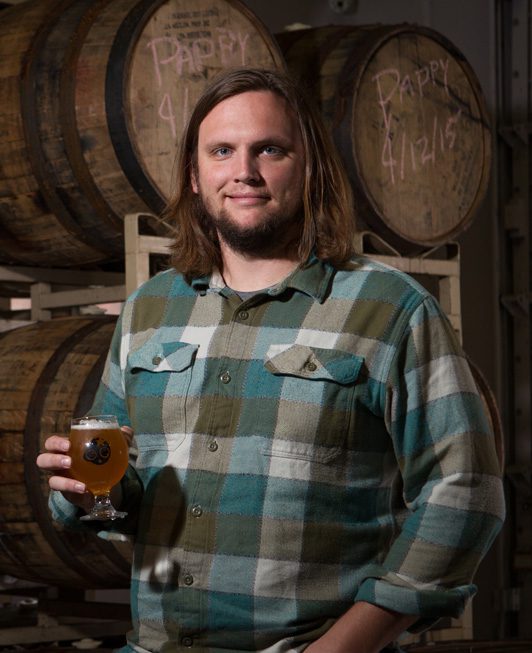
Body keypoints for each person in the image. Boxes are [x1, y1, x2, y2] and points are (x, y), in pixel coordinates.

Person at [37, 67, 505, 653]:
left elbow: (465, 489)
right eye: (222, 151)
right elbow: (126, 489)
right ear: (195, 173)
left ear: (309, 168)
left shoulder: (390, 308)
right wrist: (91, 494)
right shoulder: (149, 309)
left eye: (270, 150)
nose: (244, 172)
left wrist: (347, 645)